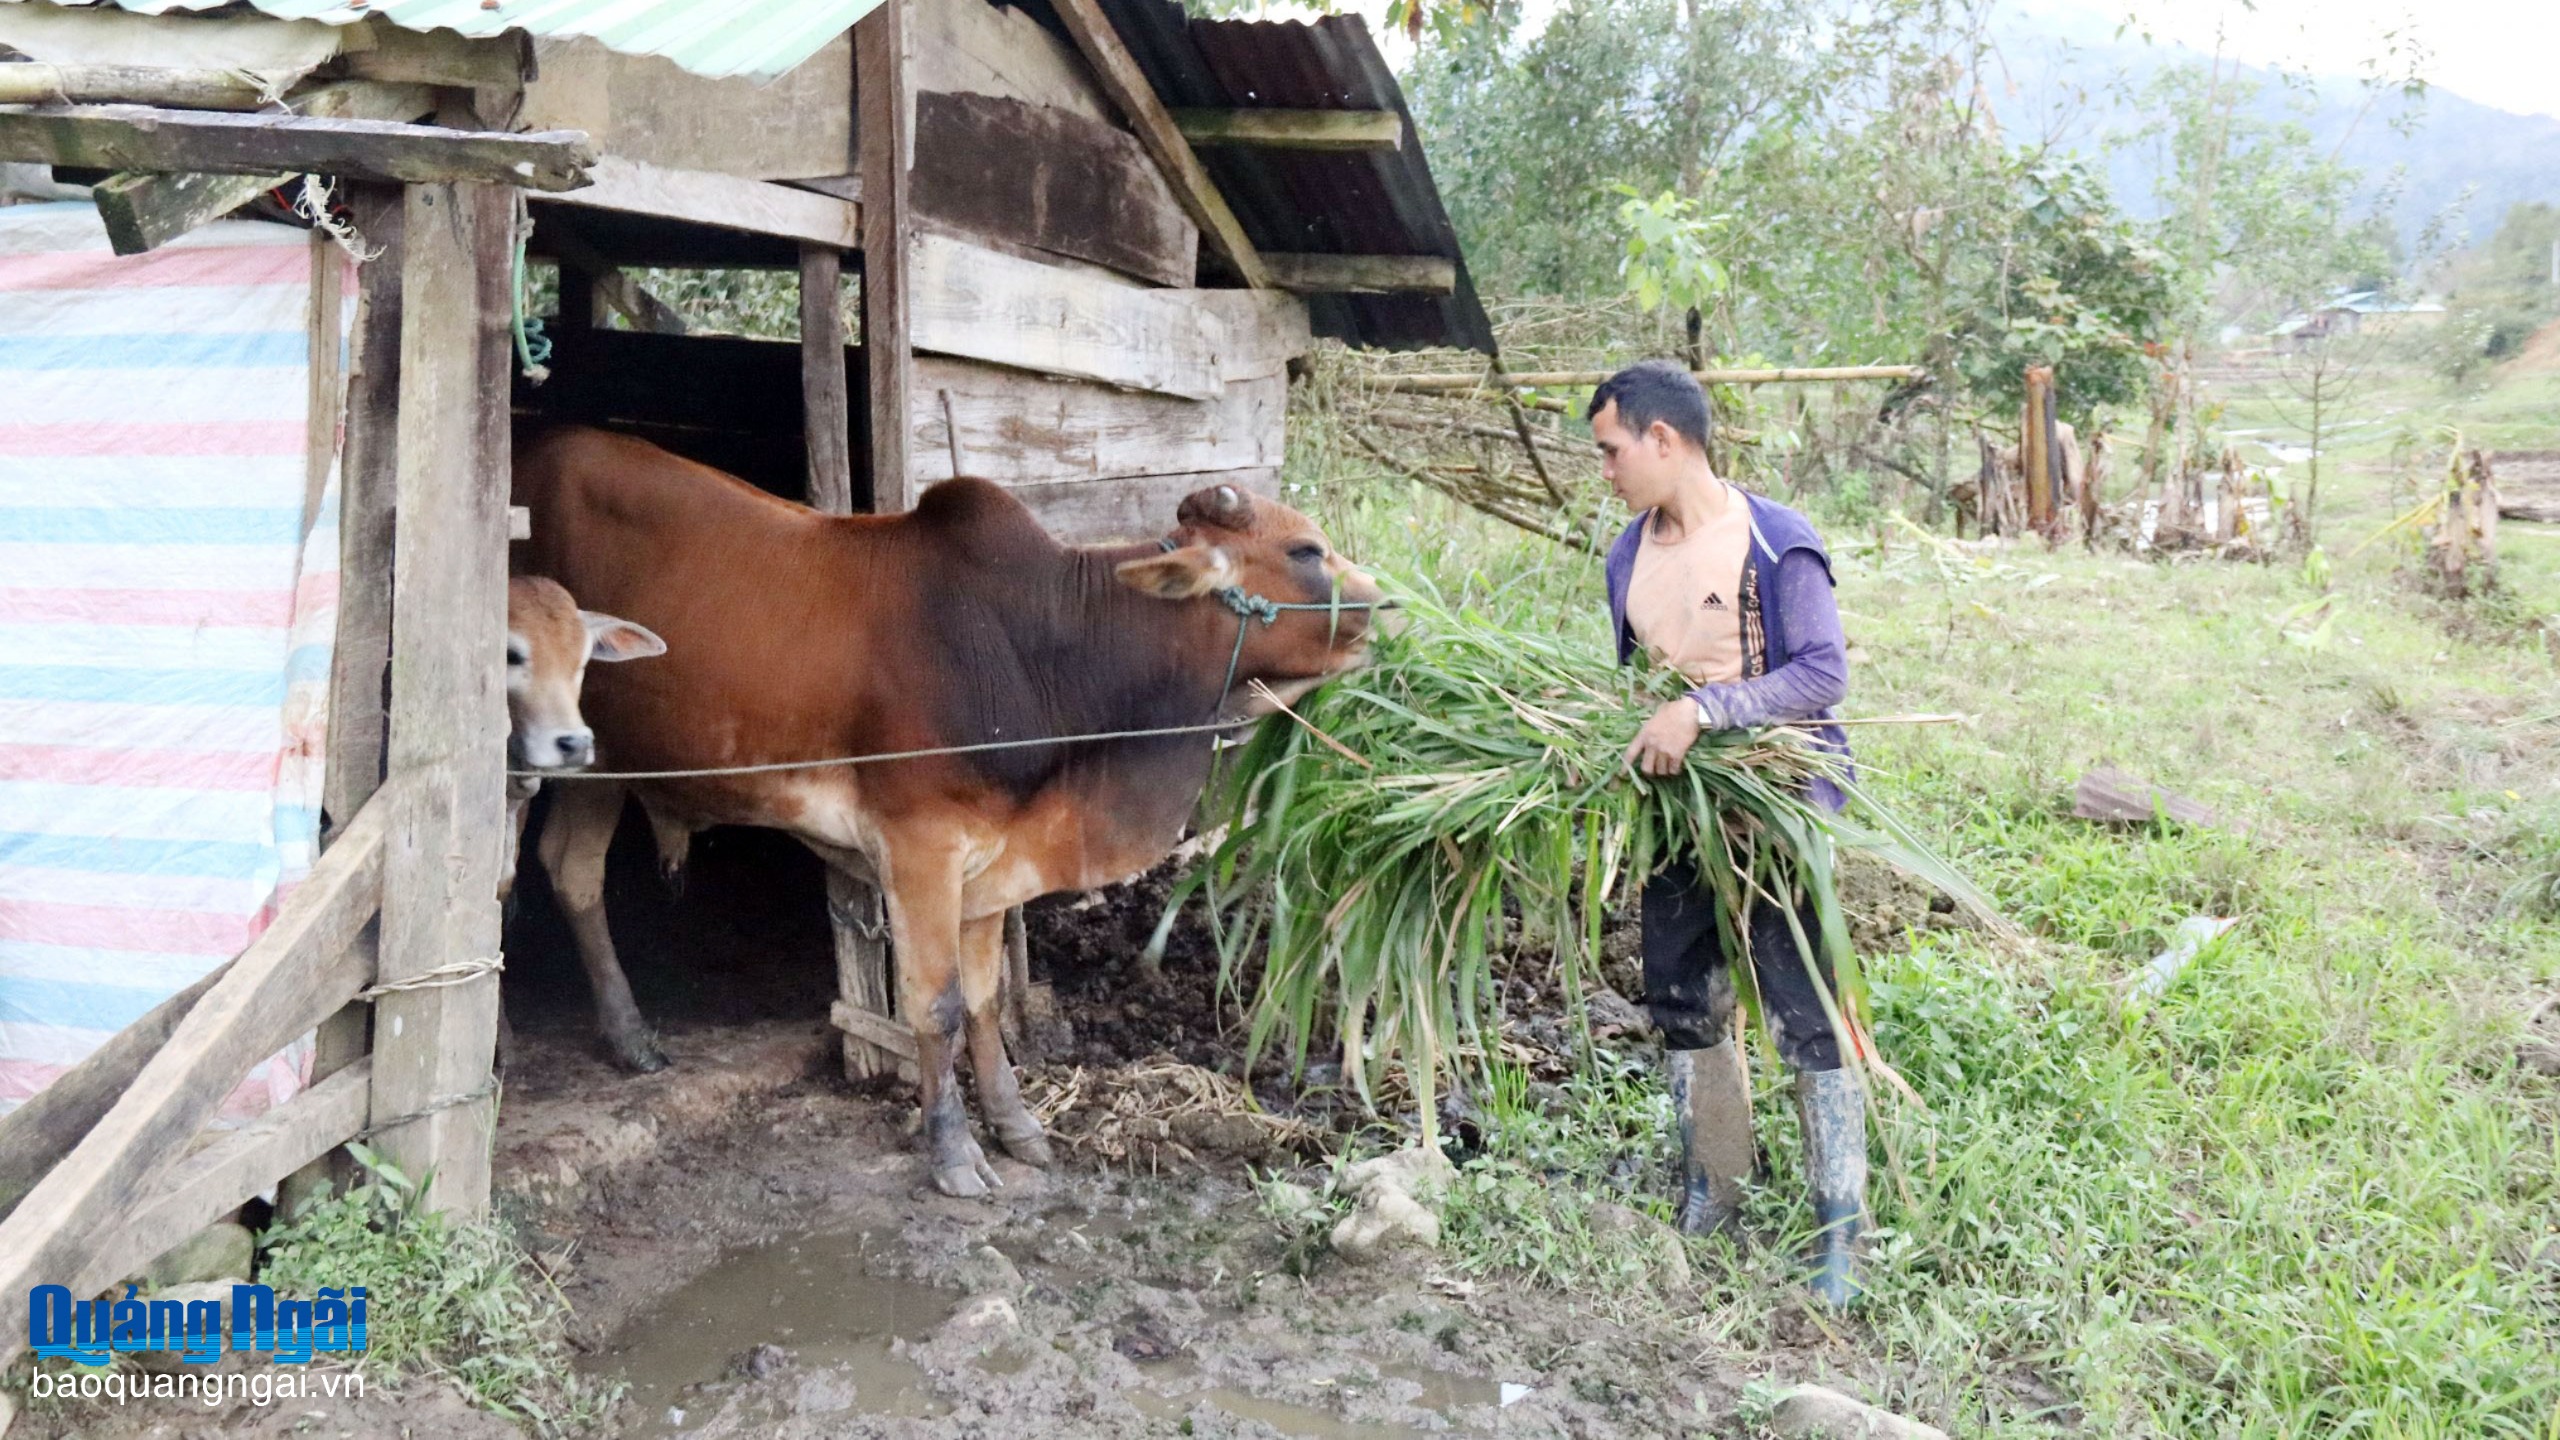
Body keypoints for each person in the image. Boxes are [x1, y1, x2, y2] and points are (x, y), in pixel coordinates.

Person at [1587, 359, 1866, 1306]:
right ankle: (1717, 1188)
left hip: (1774, 808)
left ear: (1663, 439)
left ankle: (1839, 1226)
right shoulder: (1627, 556)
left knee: (1801, 1006)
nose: (1607, 471)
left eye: (1613, 451)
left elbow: (1822, 674)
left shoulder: (1774, 540)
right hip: (1679, 815)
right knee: (1682, 999)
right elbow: (1634, 684)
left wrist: (1705, 710)